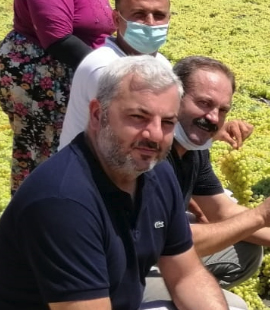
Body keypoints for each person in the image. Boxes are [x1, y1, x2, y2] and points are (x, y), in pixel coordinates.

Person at [0, 55, 228, 310]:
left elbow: (186, 275)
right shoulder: (63, 201)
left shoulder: (158, 173)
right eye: (138, 117)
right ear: (98, 115)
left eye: (167, 122)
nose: (154, 135)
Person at [140, 55, 270, 309]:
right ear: (173, 96)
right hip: (121, 271)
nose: (213, 118)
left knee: (247, 249)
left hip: (160, 250)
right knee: (234, 306)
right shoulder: (149, 155)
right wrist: (261, 215)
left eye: (222, 110)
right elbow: (173, 239)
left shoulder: (193, 150)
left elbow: (222, 211)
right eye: (204, 103)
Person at [58, 0, 253, 153]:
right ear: (117, 20)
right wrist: (209, 130)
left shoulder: (161, 63)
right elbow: (143, 135)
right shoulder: (104, 68)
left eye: (159, 15)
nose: (150, 23)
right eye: (139, 14)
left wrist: (213, 128)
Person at [0, 0, 115, 194]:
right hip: (43, 76)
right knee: (48, 158)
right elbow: (58, 39)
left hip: (75, 70)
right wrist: (115, 72)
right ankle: (39, 217)